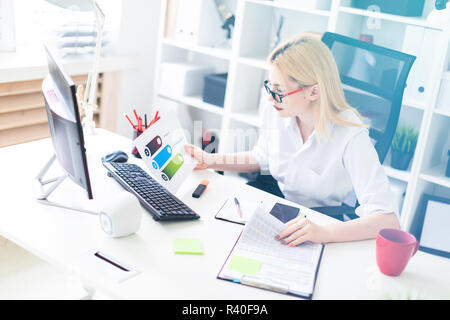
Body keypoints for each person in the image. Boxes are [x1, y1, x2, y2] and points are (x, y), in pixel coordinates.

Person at [184, 34, 400, 247]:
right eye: (270, 87)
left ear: (313, 91)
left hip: (321, 223)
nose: (270, 97)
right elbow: (262, 157)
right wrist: (210, 160)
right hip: (280, 208)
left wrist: (324, 232)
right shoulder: (279, 109)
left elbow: (387, 221)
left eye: (279, 91)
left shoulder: (350, 135)